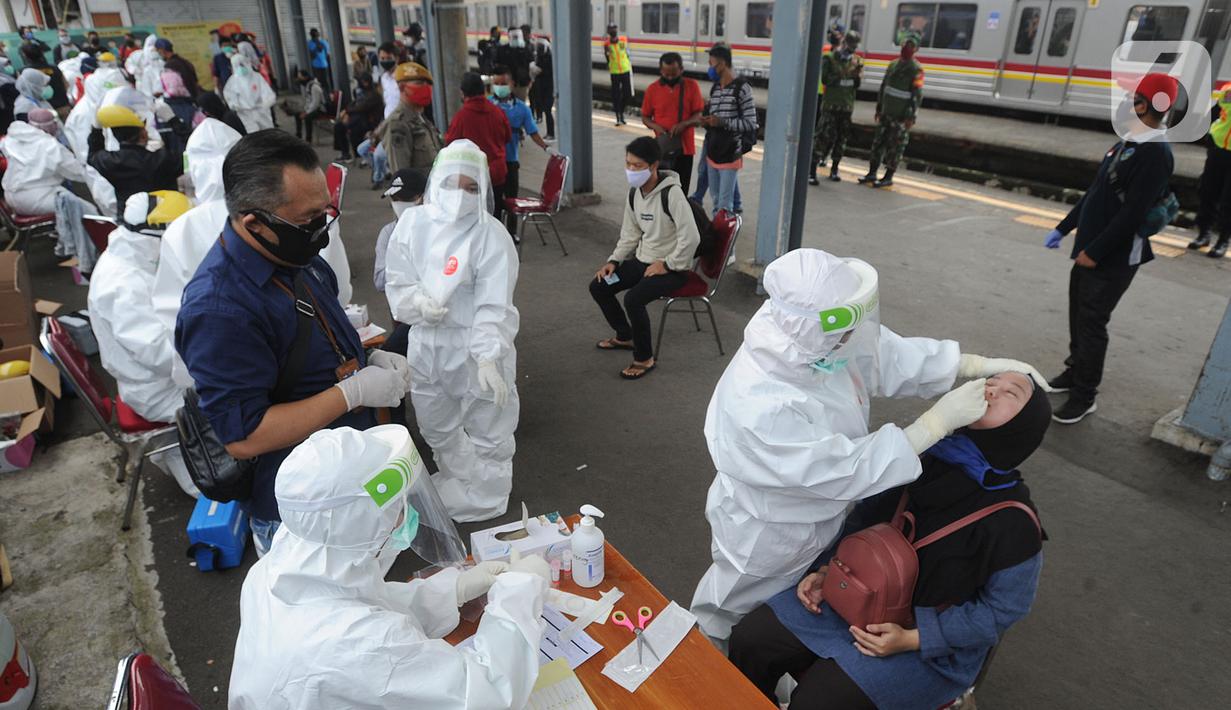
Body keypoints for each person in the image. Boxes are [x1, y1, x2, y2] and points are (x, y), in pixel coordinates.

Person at [688, 248, 1050, 646]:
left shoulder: (810, 341)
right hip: (770, 529)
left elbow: (877, 354)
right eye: (845, 329)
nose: (993, 390)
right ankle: (701, 660)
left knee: (779, 618)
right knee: (729, 611)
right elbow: (845, 470)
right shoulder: (761, 404)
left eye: (1011, 392)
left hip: (816, 521)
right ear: (817, 332)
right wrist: (934, 424)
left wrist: (971, 365)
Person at [729, 373, 1050, 710]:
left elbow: (1003, 610)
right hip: (854, 594)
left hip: (927, 644)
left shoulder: (1016, 521)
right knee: (752, 641)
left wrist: (915, 638)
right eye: (992, 381)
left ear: (1025, 427)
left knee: (820, 700)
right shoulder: (921, 454)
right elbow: (862, 518)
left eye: (1011, 392)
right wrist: (827, 571)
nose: (992, 390)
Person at [176, 130, 410, 555]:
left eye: (325, 213)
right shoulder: (219, 310)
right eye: (308, 220)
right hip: (303, 513)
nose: (321, 231)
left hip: (353, 477)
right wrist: (352, 391)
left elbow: (314, 338)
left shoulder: (294, 256)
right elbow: (244, 436)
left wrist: (368, 356)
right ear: (255, 223)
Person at [227, 424, 551, 709]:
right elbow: (487, 695)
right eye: (397, 507)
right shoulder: (361, 646)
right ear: (360, 524)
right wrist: (519, 596)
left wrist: (452, 590)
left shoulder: (281, 565)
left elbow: (363, 603)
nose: (408, 514)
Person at [384, 140, 520, 523]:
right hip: (427, 342)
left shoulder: (491, 235)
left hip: (475, 345)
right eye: (452, 183)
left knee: (489, 425)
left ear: (484, 189)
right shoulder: (413, 225)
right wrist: (417, 304)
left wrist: (488, 356)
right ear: (436, 181)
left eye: (471, 187)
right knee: (435, 421)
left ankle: (489, 494)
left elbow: (495, 304)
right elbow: (398, 280)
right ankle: (461, 478)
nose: (460, 195)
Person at [1043, 73, 1176, 424]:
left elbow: (1133, 214)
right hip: (1088, 251)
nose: (1127, 103)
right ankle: (1074, 371)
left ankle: (1085, 395)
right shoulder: (1129, 141)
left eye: (1134, 98)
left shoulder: (1156, 153)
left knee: (1092, 323)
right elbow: (1096, 192)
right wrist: (1064, 227)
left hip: (1112, 258)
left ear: (1145, 105)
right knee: (1078, 315)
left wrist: (1096, 252)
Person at [88, 190, 199, 497]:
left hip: (150, 379)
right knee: (247, 386)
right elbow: (161, 355)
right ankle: (208, 474)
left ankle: (180, 450)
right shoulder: (122, 285)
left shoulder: (131, 257)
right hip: (157, 390)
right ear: (155, 237)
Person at [590, 136, 699, 380]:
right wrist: (613, 261)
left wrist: (667, 264)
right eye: (628, 163)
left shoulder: (672, 194)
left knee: (633, 300)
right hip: (642, 262)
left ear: (654, 165)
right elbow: (630, 234)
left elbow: (691, 237)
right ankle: (625, 336)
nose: (631, 170)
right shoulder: (635, 193)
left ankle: (644, 358)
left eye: (637, 165)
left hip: (673, 270)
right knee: (599, 286)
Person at [0, 109, 99, 274]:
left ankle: (73, 248)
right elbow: (76, 172)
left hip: (11, 197)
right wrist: (98, 172)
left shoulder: (13, 138)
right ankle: (89, 258)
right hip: (35, 198)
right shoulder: (50, 146)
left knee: (66, 198)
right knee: (87, 211)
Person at [88, 101, 183, 214]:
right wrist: (173, 120)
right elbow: (191, 153)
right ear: (143, 134)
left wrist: (96, 129)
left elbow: (93, 155)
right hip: (166, 216)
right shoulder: (163, 159)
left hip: (129, 219)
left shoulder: (111, 162)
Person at [859, 31, 923, 188]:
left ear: (916, 49)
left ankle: (888, 176)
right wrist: (879, 107)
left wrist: (911, 117)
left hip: (900, 116)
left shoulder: (916, 69)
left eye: (910, 46)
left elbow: (917, 95)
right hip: (886, 112)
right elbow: (884, 87)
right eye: (905, 44)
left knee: (896, 146)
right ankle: (872, 172)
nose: (906, 48)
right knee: (878, 143)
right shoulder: (893, 64)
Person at [490, 64, 550, 232]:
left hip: (510, 161)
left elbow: (532, 132)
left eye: (503, 83)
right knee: (494, 202)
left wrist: (546, 148)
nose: (499, 87)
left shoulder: (522, 108)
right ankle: (495, 234)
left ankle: (512, 233)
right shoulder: (487, 105)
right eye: (496, 83)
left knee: (512, 200)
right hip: (491, 163)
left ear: (512, 84)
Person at [699, 44, 757, 216]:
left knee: (724, 206)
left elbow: (751, 123)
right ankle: (719, 231)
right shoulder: (716, 88)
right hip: (713, 152)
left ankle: (725, 233)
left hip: (730, 152)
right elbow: (715, 118)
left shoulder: (742, 88)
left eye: (711, 64)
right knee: (716, 201)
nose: (710, 68)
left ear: (722, 64)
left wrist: (722, 122)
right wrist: (707, 121)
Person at [444, 72, 510, 217]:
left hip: (473, 176)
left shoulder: (461, 117)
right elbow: (507, 137)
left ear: (463, 93)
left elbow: (450, 144)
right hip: (497, 173)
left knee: (474, 218)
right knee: (495, 216)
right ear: (484, 90)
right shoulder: (498, 112)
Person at [641, 52, 705, 195]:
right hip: (662, 148)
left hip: (685, 149)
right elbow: (645, 117)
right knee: (660, 190)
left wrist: (685, 124)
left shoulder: (691, 86)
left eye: (674, 74)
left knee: (681, 191)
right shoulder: (652, 89)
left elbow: (698, 115)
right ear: (660, 70)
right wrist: (656, 127)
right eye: (666, 74)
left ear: (681, 70)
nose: (670, 77)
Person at [812, 30, 863, 184]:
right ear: (844, 42)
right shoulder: (829, 58)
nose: (852, 48)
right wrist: (846, 72)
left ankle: (834, 169)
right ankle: (812, 170)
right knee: (822, 137)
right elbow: (826, 79)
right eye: (850, 44)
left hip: (846, 107)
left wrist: (856, 74)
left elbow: (856, 84)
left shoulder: (857, 61)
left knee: (841, 140)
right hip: (830, 106)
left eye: (854, 46)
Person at [376, 62, 442, 175]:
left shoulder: (421, 118)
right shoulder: (398, 124)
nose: (426, 88)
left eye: (428, 84)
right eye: (419, 83)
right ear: (402, 87)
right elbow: (402, 175)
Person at [1190, 81, 1231, 258]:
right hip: (1218, 149)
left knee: (1229, 200)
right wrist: (1210, 141)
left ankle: (1223, 240)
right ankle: (1204, 233)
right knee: (1208, 191)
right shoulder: (1228, 90)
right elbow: (1215, 113)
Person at [334, 73, 382, 161]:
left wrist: (347, 111)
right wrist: (346, 112)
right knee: (338, 127)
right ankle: (345, 153)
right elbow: (353, 103)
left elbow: (362, 107)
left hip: (370, 122)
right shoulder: (362, 93)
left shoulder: (373, 94)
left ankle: (358, 155)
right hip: (358, 120)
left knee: (354, 129)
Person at [223, 53, 276, 133]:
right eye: (237, 65)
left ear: (247, 63)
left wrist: (265, 104)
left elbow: (267, 93)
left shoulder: (257, 77)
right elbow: (229, 96)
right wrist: (236, 106)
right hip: (245, 114)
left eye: (242, 64)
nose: (241, 68)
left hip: (261, 111)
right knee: (252, 134)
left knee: (268, 133)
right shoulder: (232, 81)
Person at [19, 43, 69, 118]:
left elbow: (24, 92)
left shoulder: (24, 73)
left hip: (42, 113)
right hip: (62, 107)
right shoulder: (54, 68)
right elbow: (66, 85)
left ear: (24, 55)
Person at [604, 24, 632, 125]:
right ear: (608, 32)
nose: (613, 31)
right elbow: (607, 57)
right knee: (616, 95)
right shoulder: (607, 44)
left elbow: (627, 52)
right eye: (611, 29)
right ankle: (618, 117)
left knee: (627, 94)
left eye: (614, 29)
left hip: (625, 69)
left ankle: (621, 111)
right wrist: (609, 65)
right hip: (615, 72)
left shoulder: (623, 40)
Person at [497, 28, 533, 103]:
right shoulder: (502, 50)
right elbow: (498, 65)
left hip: (522, 83)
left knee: (520, 103)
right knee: (507, 103)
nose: (515, 39)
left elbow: (530, 65)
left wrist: (529, 80)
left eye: (517, 37)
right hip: (507, 83)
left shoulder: (526, 50)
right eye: (514, 37)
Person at [125, 34, 164, 100]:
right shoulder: (138, 54)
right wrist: (137, 71)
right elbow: (129, 64)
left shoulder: (159, 56)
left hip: (157, 85)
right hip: (142, 82)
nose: (152, 49)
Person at [530, 36, 554, 139]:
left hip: (548, 87)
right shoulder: (539, 57)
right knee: (545, 109)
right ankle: (549, 133)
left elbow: (547, 71)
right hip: (541, 87)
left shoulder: (549, 57)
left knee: (548, 110)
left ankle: (551, 133)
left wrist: (538, 70)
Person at [293, 68, 326, 143]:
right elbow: (309, 101)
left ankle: (308, 139)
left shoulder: (315, 87)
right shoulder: (308, 86)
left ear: (306, 77)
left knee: (307, 118)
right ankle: (298, 135)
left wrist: (306, 113)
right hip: (313, 109)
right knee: (297, 114)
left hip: (320, 109)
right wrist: (305, 110)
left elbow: (315, 103)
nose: (299, 79)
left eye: (300, 77)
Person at [308, 28, 332, 92]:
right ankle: (324, 93)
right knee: (321, 81)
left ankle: (326, 93)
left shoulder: (322, 42)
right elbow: (311, 56)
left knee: (323, 81)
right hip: (318, 65)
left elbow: (327, 54)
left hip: (321, 65)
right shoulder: (310, 43)